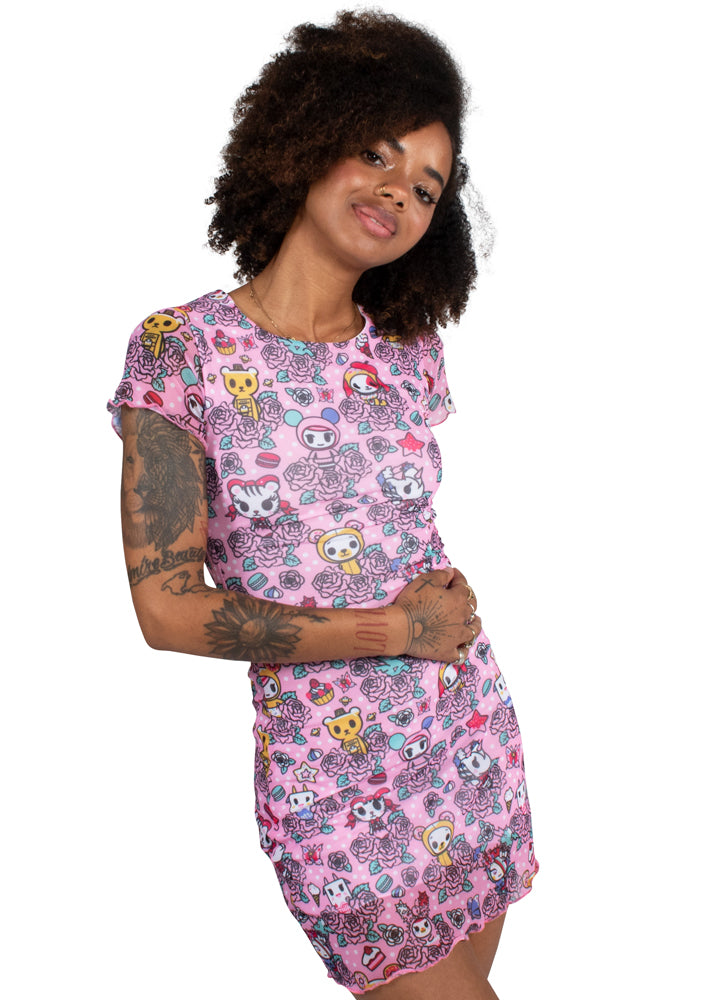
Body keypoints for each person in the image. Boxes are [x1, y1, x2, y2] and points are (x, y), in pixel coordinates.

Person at [109, 11, 537, 999]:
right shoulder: (181, 351)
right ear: (308, 136)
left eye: (425, 186)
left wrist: (442, 611)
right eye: (376, 153)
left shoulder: (407, 352)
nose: (397, 191)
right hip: (337, 786)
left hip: (463, 733)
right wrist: (396, 629)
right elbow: (167, 608)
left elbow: (397, 533)